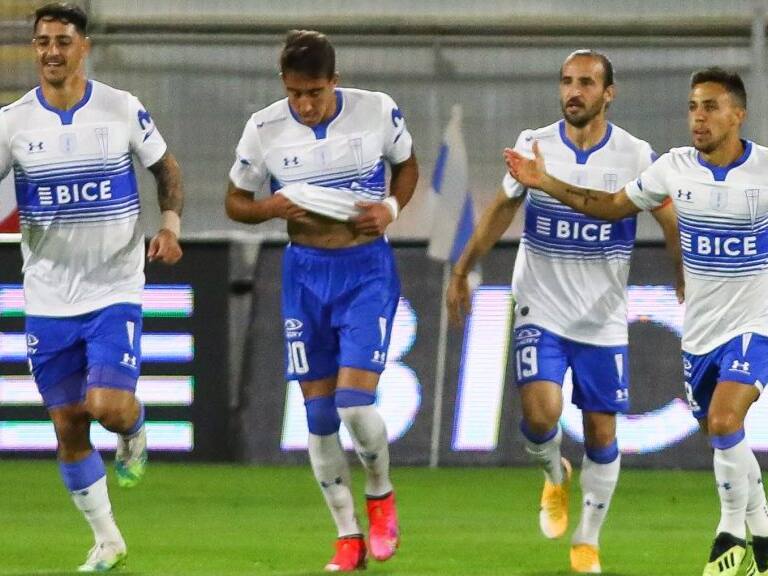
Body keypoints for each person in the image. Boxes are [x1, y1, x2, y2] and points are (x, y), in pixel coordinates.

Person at [506, 66, 768, 576]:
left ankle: (731, 529)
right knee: (721, 434)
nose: (698, 118)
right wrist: (546, 182)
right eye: (693, 107)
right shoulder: (672, 168)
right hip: (701, 331)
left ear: (738, 114)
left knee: (723, 420)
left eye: (711, 107)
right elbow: (607, 206)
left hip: (755, 321)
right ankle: (760, 530)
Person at [448, 50, 683, 574]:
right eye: (566, 82)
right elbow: (502, 207)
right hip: (541, 306)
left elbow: (668, 218)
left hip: (601, 316)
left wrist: (681, 272)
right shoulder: (536, 145)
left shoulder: (635, 154)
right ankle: (556, 474)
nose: (573, 92)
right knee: (540, 416)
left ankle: (587, 539)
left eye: (585, 83)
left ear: (608, 93)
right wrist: (463, 267)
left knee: (602, 432)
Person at [226, 29, 418, 572]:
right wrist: (273, 208)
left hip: (365, 271)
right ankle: (346, 535)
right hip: (305, 275)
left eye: (314, 91)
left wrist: (390, 209)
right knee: (317, 416)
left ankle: (380, 494)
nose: (305, 104)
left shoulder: (376, 110)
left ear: (334, 80)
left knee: (354, 403)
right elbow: (236, 201)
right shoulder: (264, 129)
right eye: (295, 94)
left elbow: (407, 166)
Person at [0, 3, 184, 571]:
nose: (51, 52)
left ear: (84, 46)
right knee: (66, 423)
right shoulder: (12, 123)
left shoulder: (120, 108)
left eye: (62, 41)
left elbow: (167, 170)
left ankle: (134, 426)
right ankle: (108, 539)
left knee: (105, 407)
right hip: (47, 294)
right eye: (42, 42)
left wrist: (171, 224)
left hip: (114, 285)